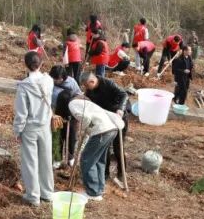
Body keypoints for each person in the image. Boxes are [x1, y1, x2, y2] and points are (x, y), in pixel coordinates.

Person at [14, 51, 56, 207]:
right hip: (45, 125)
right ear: (41, 64)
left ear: (25, 65)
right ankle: (47, 193)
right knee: (46, 160)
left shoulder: (24, 86)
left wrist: (17, 130)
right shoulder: (49, 81)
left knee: (30, 162)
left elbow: (21, 113)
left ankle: (33, 196)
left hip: (30, 128)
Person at [66, 94, 123, 201]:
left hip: (101, 131)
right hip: (112, 129)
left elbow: (86, 118)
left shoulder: (72, 104)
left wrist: (86, 130)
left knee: (86, 160)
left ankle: (93, 192)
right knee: (99, 160)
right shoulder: (87, 103)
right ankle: (99, 189)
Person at [82, 72, 130, 185]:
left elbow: (124, 95)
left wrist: (120, 109)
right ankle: (105, 173)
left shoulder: (108, 83)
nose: (86, 88)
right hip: (104, 120)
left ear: (92, 81)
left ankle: (121, 172)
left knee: (118, 147)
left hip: (118, 117)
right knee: (105, 147)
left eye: (87, 85)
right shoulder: (89, 91)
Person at [49, 65, 82, 168]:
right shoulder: (49, 82)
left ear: (63, 77)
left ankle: (70, 158)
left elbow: (79, 95)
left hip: (70, 114)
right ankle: (57, 159)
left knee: (71, 137)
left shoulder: (71, 82)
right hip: (55, 113)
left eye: (57, 79)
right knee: (57, 136)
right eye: (53, 78)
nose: (55, 80)